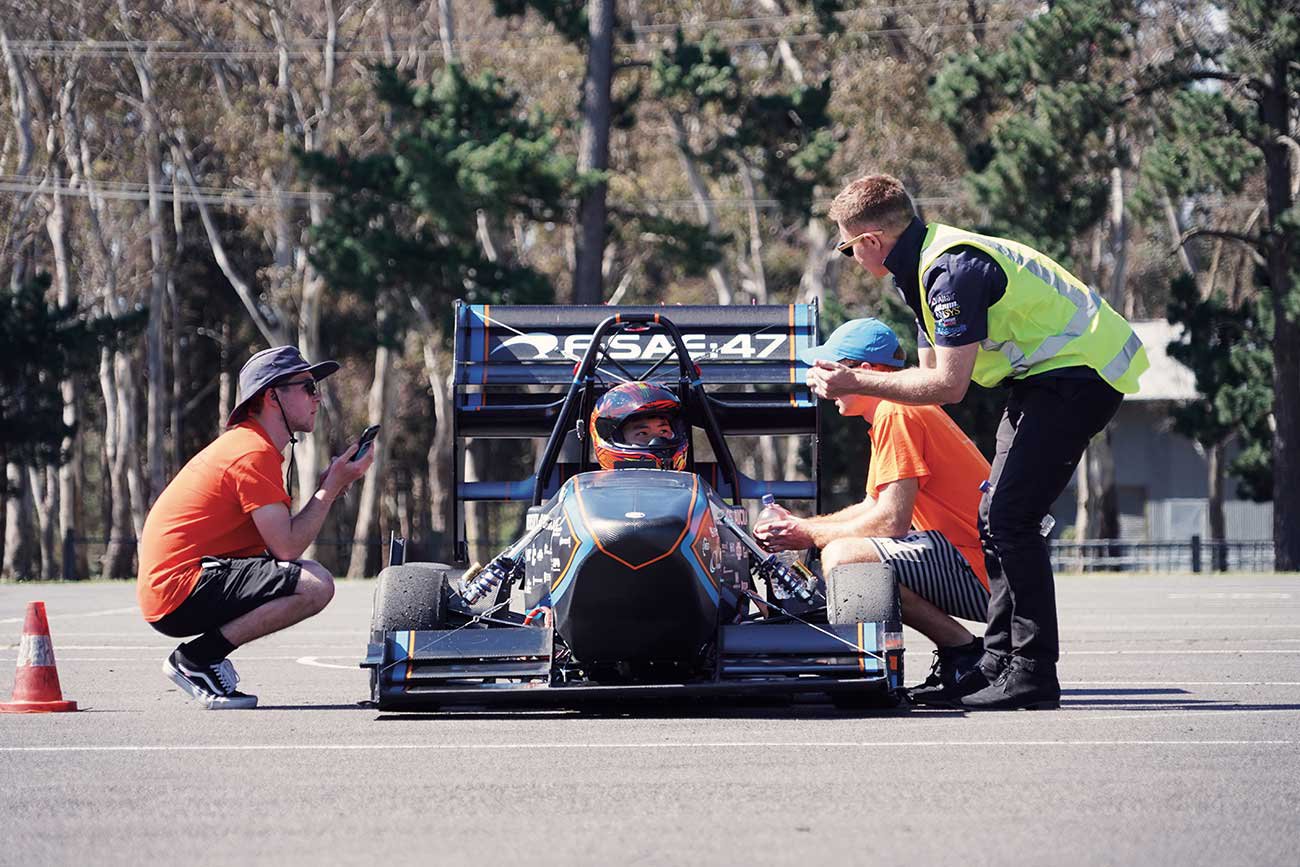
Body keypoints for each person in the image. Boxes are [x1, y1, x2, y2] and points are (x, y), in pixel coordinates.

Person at [808, 174, 1148, 710]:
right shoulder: (918, 272)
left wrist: (856, 381)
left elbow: (948, 384)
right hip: (1043, 379)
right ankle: (996, 661)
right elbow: (927, 383)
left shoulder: (950, 271)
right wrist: (867, 384)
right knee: (997, 514)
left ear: (870, 241)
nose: (851, 258)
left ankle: (1033, 674)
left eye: (849, 248)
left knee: (1010, 517)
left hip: (1080, 373)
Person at [754, 318, 992, 705]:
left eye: (832, 367)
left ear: (864, 372)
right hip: (977, 563)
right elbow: (872, 507)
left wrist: (810, 535)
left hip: (984, 573)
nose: (824, 380)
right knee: (848, 548)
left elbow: (890, 522)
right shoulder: (896, 411)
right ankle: (956, 655)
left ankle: (962, 655)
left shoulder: (898, 413)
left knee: (846, 555)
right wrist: (801, 525)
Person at [137, 346, 375, 709]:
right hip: (178, 590)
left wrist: (332, 485)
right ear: (272, 397)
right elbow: (288, 547)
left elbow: (278, 548)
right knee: (315, 584)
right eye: (308, 387)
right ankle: (196, 660)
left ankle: (200, 658)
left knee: (308, 577)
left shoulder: (253, 447)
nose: (318, 396)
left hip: (181, 584)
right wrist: (332, 487)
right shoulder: (252, 453)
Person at [590, 381, 690, 470]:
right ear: (614, 438)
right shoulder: (589, 490)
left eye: (663, 431)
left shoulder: (692, 488)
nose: (657, 442)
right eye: (643, 433)